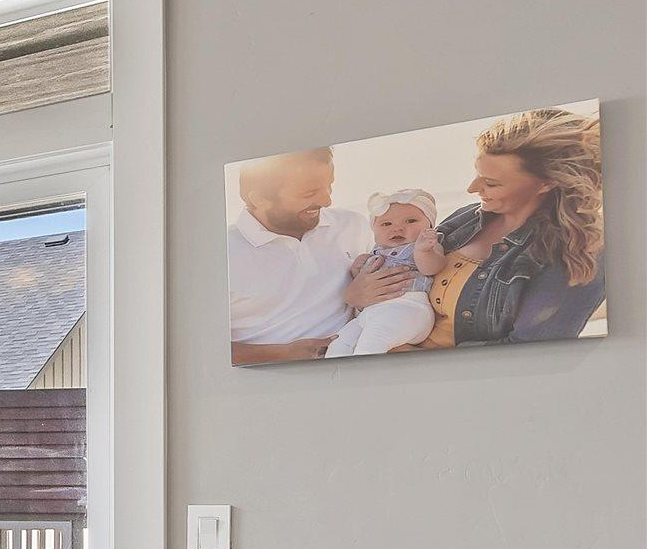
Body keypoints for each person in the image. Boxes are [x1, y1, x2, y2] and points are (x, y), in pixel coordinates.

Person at [425, 107, 609, 348]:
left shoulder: (577, 253)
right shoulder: (466, 219)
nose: (472, 188)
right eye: (478, 174)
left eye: (491, 183)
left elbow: (528, 350)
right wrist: (362, 292)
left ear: (546, 184)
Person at [226, 148, 409, 364]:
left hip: (356, 363)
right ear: (260, 199)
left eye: (329, 185)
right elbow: (197, 349)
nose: (326, 200)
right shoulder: (219, 254)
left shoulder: (353, 225)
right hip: (269, 382)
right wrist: (281, 354)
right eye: (309, 193)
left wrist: (361, 298)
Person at [323, 187, 443, 357]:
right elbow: (363, 287)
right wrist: (357, 270)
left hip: (409, 307)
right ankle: (333, 378)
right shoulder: (375, 253)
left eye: (410, 221)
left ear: (430, 226)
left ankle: (365, 380)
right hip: (370, 313)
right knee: (339, 343)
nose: (397, 228)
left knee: (372, 343)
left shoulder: (423, 247)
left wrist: (424, 252)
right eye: (387, 224)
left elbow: (432, 268)